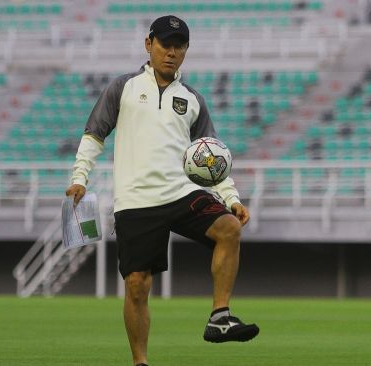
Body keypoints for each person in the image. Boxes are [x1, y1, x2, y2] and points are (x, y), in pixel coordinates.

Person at [65, 15, 259, 366]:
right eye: (165, 44)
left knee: (229, 228)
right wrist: (80, 177)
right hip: (136, 200)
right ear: (148, 44)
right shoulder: (122, 87)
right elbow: (95, 134)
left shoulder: (192, 99)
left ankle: (220, 317)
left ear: (185, 51)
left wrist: (231, 199)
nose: (171, 52)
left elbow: (211, 156)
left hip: (182, 193)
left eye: (179, 46)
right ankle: (140, 361)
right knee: (138, 285)